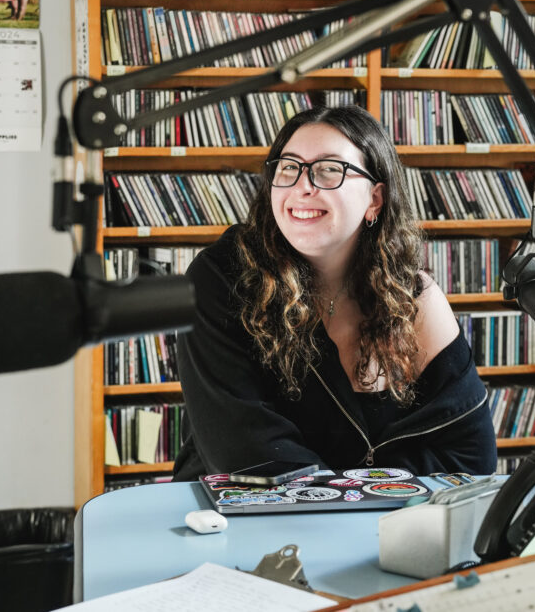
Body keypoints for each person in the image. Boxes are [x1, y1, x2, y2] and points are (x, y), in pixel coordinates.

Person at [171, 105, 497, 480]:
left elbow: (471, 458)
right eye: (289, 167)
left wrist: (366, 501)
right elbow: (249, 458)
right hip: (239, 525)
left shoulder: (413, 297)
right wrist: (378, 489)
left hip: (385, 529)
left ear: (375, 199)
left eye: (329, 170)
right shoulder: (221, 278)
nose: (303, 186)